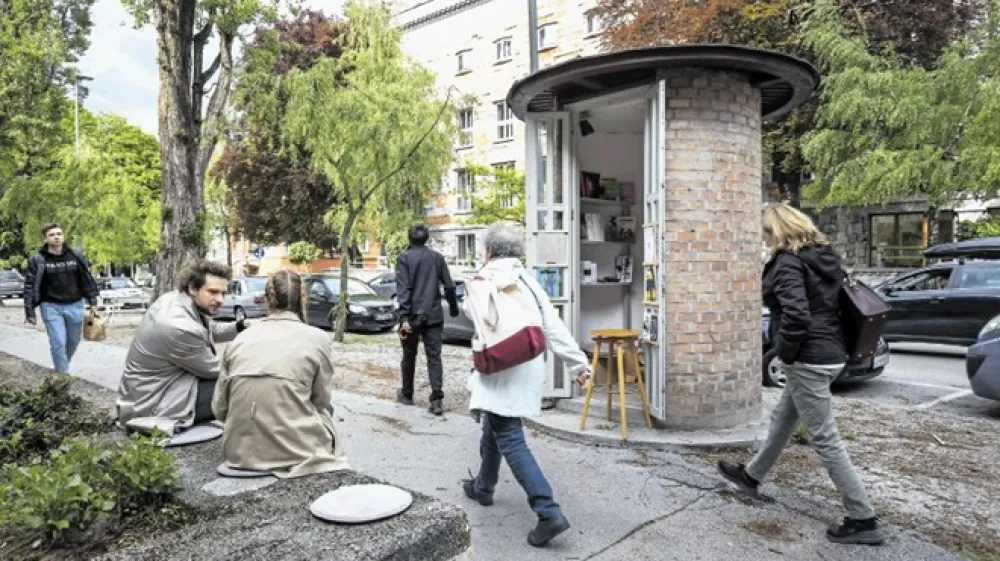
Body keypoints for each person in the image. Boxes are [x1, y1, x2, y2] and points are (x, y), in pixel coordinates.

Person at [717, 203, 885, 545]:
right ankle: (751, 476)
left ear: (777, 231)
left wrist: (785, 352)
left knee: (824, 437)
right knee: (784, 417)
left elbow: (796, 314)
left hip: (808, 357)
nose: (764, 240)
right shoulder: (822, 257)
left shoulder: (788, 263)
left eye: (766, 233)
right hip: (831, 351)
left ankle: (862, 518)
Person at [460, 221, 591, 548]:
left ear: (488, 250)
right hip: (526, 367)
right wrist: (579, 364)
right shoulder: (529, 283)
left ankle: (548, 512)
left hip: (497, 367)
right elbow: (553, 327)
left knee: (509, 435)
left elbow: (471, 315)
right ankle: (483, 487)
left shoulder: (482, 280)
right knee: (494, 422)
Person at [212, 270, 349, 478]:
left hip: (239, 454)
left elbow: (220, 409)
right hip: (296, 452)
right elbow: (320, 400)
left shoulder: (240, 340)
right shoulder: (317, 337)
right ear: (303, 299)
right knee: (326, 409)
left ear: (267, 301)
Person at [117, 259, 244, 434]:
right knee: (243, 384)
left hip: (146, 394)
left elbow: (210, 329)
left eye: (223, 293)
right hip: (154, 406)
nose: (220, 299)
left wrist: (240, 327)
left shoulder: (175, 300)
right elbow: (215, 370)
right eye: (213, 292)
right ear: (193, 288)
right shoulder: (178, 327)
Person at [395, 223, 459, 416]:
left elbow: (403, 288)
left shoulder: (403, 258)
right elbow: (449, 286)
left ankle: (407, 394)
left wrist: (404, 316)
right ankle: (437, 399)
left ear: (409, 238)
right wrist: (454, 308)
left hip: (411, 317)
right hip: (433, 315)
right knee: (434, 356)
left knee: (408, 354)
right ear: (427, 238)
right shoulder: (437, 258)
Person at [22, 223, 100, 373]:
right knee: (57, 341)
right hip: (50, 306)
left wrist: (93, 301)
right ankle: (63, 375)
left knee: (73, 341)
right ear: (45, 239)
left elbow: (86, 279)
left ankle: (61, 367)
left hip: (75, 304)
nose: (56, 237)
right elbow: (30, 286)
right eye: (52, 235)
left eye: (59, 234)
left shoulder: (75, 256)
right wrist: (29, 311)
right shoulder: (38, 260)